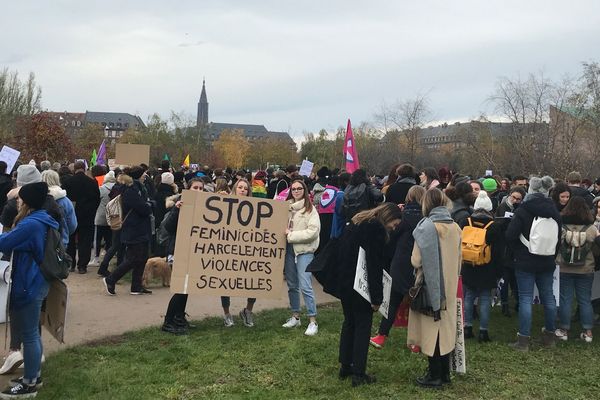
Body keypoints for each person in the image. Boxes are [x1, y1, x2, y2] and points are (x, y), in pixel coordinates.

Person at [0, 182, 58, 398]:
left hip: (29, 282)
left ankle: (29, 384)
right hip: (37, 280)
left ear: (28, 202)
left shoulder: (31, 224)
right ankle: (34, 376)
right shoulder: (42, 218)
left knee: (29, 335)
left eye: (19, 199)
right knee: (32, 332)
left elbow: (4, 243)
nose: (17, 201)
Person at [337, 203, 402, 386]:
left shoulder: (358, 221)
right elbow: (373, 264)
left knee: (349, 323)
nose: (394, 228)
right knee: (362, 327)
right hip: (360, 285)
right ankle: (359, 373)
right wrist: (376, 298)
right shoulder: (376, 229)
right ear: (388, 216)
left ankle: (345, 365)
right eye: (395, 224)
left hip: (345, 281)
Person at [407, 189, 461, 388]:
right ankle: (445, 374)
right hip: (450, 284)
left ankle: (434, 375)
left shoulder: (425, 227)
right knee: (445, 331)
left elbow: (415, 260)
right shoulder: (455, 227)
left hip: (431, 285)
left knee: (432, 332)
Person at [505, 176, 561, 351]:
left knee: (526, 299)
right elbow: (559, 238)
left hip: (525, 261)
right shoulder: (555, 212)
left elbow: (510, 235)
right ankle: (550, 336)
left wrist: (519, 251)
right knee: (549, 298)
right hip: (547, 261)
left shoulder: (523, 210)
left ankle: (523, 340)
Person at [370, 185, 425, 349]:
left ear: (409, 197)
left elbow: (391, 238)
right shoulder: (426, 217)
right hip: (419, 261)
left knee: (393, 301)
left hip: (400, 262)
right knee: (417, 303)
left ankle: (381, 335)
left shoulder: (402, 217)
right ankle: (416, 341)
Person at [161, 177, 205, 335]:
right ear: (188, 189)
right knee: (181, 288)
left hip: (193, 251)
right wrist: (177, 210)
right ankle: (168, 321)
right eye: (195, 188)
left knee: (187, 287)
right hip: (178, 250)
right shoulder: (180, 203)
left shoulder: (204, 205)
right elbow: (168, 227)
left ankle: (179, 318)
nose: (198, 191)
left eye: (201, 188)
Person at [102, 166, 153, 296]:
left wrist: (148, 204)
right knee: (133, 258)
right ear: (137, 176)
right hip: (133, 228)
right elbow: (143, 208)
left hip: (140, 228)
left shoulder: (137, 188)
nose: (145, 176)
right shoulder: (131, 190)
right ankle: (111, 279)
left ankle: (136, 286)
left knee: (142, 258)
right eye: (143, 174)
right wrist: (150, 205)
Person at [555, 196, 598, 343]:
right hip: (586, 269)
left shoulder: (561, 227)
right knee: (585, 300)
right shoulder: (592, 229)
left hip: (564, 268)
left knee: (565, 299)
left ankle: (564, 330)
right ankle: (588, 332)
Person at [461, 191, 503, 343]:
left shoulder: (466, 222)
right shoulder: (494, 226)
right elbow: (498, 252)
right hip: (487, 267)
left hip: (468, 265)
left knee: (469, 296)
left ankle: (467, 327)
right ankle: (483, 332)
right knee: (485, 298)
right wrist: (499, 272)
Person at [282, 179, 321, 336]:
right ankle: (295, 316)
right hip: (289, 251)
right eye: (293, 189)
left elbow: (313, 232)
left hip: (304, 251)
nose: (296, 191)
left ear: (304, 190)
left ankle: (313, 320)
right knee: (292, 284)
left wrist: (291, 236)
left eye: (299, 188)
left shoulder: (310, 210)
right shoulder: (287, 208)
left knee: (305, 285)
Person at [220, 179, 258, 328]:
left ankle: (248, 311)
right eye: (240, 187)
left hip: (248, 251)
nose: (242, 190)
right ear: (235, 189)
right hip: (228, 251)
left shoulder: (255, 209)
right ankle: (227, 314)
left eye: (245, 188)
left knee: (254, 280)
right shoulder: (224, 204)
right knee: (224, 283)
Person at [63, 161, 100, 274]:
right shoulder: (92, 182)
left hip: (71, 214)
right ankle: (82, 265)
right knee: (85, 240)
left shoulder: (68, 182)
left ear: (74, 169)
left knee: (70, 240)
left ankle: (71, 263)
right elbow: (97, 198)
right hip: (87, 215)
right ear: (84, 168)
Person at [41, 170, 77, 247]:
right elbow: (72, 224)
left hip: (40, 240)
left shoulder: (38, 198)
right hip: (61, 241)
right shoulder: (65, 200)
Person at [91, 171, 116, 266]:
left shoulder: (101, 189)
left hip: (101, 216)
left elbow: (96, 201)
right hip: (113, 215)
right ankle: (108, 258)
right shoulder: (117, 188)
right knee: (109, 239)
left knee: (97, 238)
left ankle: (96, 258)